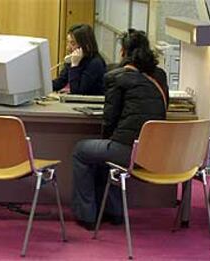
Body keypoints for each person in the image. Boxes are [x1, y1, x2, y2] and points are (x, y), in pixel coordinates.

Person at [71, 29, 169, 230]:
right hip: (154, 151)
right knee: (109, 155)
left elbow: (110, 120)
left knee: (83, 151)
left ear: (123, 51)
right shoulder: (160, 75)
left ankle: (87, 214)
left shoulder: (116, 77)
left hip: (127, 149)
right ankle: (113, 211)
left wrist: (107, 144)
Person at [52, 24, 106, 95]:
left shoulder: (95, 63)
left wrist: (74, 66)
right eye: (68, 42)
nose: (68, 48)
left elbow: (77, 91)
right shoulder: (76, 59)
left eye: (73, 43)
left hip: (91, 104)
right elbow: (60, 82)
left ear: (85, 45)